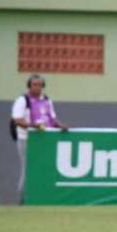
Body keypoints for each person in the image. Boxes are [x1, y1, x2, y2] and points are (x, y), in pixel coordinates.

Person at [10, 74, 69, 202]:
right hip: (27, 139)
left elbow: (52, 119)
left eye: (40, 85)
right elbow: (17, 120)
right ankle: (23, 200)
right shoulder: (23, 100)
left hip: (44, 139)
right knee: (27, 170)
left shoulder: (46, 100)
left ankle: (41, 198)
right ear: (29, 86)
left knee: (44, 169)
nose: (37, 87)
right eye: (34, 85)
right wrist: (33, 126)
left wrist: (60, 126)